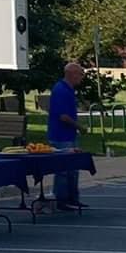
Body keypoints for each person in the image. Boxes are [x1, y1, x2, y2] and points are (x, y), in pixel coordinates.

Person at [49, 60, 87, 212]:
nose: (81, 77)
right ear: (70, 74)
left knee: (73, 168)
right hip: (61, 136)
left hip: (68, 135)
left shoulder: (69, 89)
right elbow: (63, 116)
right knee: (64, 170)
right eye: (79, 74)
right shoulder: (61, 90)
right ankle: (62, 199)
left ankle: (73, 198)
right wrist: (80, 127)